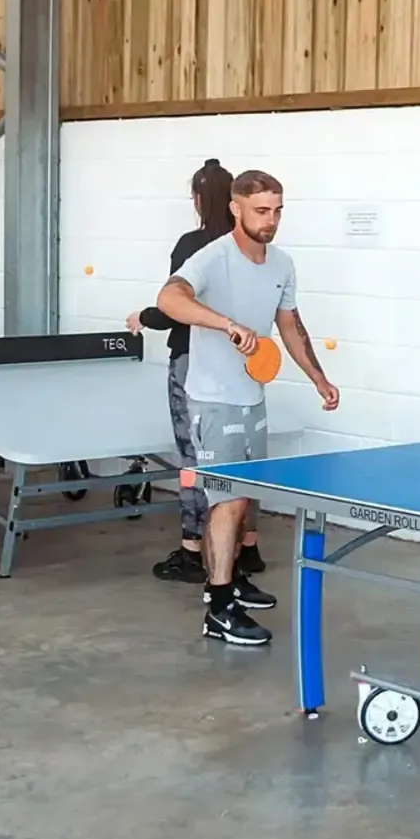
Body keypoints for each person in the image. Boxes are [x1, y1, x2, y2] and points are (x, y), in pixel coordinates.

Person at [156, 169, 339, 646]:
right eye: (262, 210)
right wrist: (223, 323)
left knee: (247, 496)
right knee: (227, 499)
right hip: (212, 400)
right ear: (236, 208)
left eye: (278, 210)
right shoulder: (212, 258)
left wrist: (318, 377)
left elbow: (291, 326)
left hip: (251, 397)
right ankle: (218, 608)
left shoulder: (281, 264)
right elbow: (169, 298)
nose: (271, 220)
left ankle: (233, 576)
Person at [128, 159, 270, 588]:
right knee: (244, 461)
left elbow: (176, 310)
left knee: (195, 462)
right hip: (243, 364)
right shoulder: (246, 250)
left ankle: (193, 549)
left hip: (195, 367)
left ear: (197, 199)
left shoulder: (195, 244)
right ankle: (249, 546)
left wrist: (143, 317)